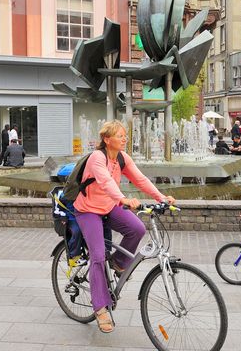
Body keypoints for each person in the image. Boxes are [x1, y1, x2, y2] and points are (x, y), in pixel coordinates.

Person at [73, 120, 175, 333]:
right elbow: (105, 182)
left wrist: (161, 196)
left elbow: (140, 179)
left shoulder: (121, 158)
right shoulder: (97, 157)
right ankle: (100, 309)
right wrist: (123, 199)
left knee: (137, 229)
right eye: (120, 135)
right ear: (107, 139)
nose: (124, 138)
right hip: (88, 210)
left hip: (109, 206)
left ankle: (119, 263)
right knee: (98, 256)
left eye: (125, 135)